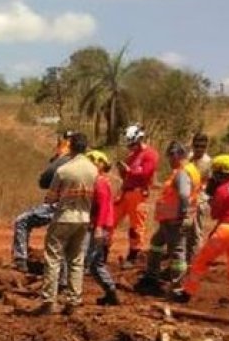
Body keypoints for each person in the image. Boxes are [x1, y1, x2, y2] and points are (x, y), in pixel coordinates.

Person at [174, 154, 229, 313]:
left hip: (227, 230)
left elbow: (215, 215)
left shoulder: (222, 191)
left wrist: (211, 198)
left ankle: (187, 292)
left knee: (200, 262)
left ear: (219, 173)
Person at [35, 132, 96, 315]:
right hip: (84, 218)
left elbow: (50, 198)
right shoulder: (93, 170)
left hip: (64, 217)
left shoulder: (64, 170)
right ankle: (73, 302)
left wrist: (55, 199)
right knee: (77, 259)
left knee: (53, 258)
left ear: (71, 147)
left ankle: (48, 301)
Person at [135, 141, 199, 295]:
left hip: (175, 220)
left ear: (177, 155)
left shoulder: (183, 172)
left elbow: (184, 194)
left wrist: (182, 213)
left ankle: (178, 287)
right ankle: (152, 275)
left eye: (170, 157)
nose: (169, 161)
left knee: (177, 253)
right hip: (169, 220)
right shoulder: (189, 169)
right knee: (156, 243)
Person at [11, 131, 74, 273]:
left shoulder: (63, 159)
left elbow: (44, 181)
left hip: (58, 207)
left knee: (22, 221)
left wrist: (57, 158)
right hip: (82, 210)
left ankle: (20, 260)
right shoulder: (86, 162)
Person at [114, 124, 159, 265]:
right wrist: (123, 170)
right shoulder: (131, 156)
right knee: (110, 220)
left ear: (139, 140)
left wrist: (129, 171)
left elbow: (146, 174)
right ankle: (100, 252)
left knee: (136, 227)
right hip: (125, 192)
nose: (130, 147)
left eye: (132, 144)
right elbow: (125, 176)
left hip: (138, 194)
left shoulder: (150, 154)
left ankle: (133, 256)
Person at [85, 150, 120, 306]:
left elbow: (104, 207)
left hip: (101, 226)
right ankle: (111, 293)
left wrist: (98, 227)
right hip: (101, 226)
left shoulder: (100, 182)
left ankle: (71, 294)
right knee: (95, 264)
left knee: (86, 259)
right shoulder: (97, 181)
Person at [186, 133, 213, 265]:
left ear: (206, 147)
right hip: (186, 198)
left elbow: (209, 183)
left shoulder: (208, 162)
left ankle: (196, 261)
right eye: (197, 146)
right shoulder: (188, 157)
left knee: (196, 231)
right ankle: (185, 258)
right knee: (184, 229)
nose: (199, 149)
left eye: (202, 146)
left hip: (200, 199)